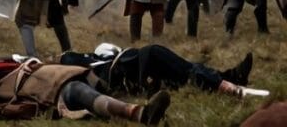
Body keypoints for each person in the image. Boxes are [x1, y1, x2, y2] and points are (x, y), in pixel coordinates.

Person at [0, 55, 170, 125]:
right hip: (46, 85)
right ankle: (138, 114)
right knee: (77, 92)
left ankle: (132, 106)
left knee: (86, 87)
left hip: (48, 74)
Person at [60, 43, 266, 99]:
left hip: (137, 67)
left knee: (186, 71)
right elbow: (67, 57)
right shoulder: (80, 65)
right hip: (138, 64)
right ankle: (225, 83)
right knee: (185, 69)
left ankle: (228, 78)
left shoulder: (92, 62)